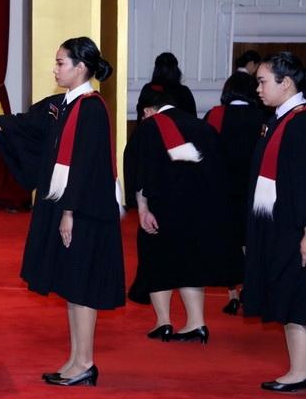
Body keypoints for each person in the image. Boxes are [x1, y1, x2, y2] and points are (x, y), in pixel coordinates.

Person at [0, 37, 124, 387]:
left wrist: (70, 211)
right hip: (66, 205)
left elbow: (88, 166)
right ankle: (76, 360)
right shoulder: (62, 104)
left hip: (84, 210)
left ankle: (85, 362)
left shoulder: (91, 109)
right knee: (72, 288)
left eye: (61, 63)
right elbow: (19, 125)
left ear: (81, 67)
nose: (55, 69)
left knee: (82, 288)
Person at [124, 90, 242, 345]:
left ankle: (163, 322)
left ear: (147, 111)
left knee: (157, 263)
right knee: (192, 264)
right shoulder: (202, 127)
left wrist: (142, 208)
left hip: (163, 209)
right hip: (202, 210)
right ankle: (196, 323)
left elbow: (140, 171)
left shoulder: (149, 128)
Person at [243, 52, 306, 392]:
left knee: (297, 297)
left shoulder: (300, 122)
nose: (258, 89)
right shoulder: (280, 119)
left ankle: (299, 372)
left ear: (286, 83)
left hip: (294, 228)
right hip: (278, 225)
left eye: (263, 81)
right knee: (288, 294)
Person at [204, 72, 266, 315]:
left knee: (230, 242)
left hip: (224, 188)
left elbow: (207, 152)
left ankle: (233, 294)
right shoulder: (263, 116)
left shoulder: (216, 115)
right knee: (251, 241)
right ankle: (252, 289)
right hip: (255, 190)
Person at [136, 52, 197, 121]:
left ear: (156, 70)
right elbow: (193, 120)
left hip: (151, 130)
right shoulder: (184, 92)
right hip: (178, 131)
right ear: (176, 71)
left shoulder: (148, 89)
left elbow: (140, 120)